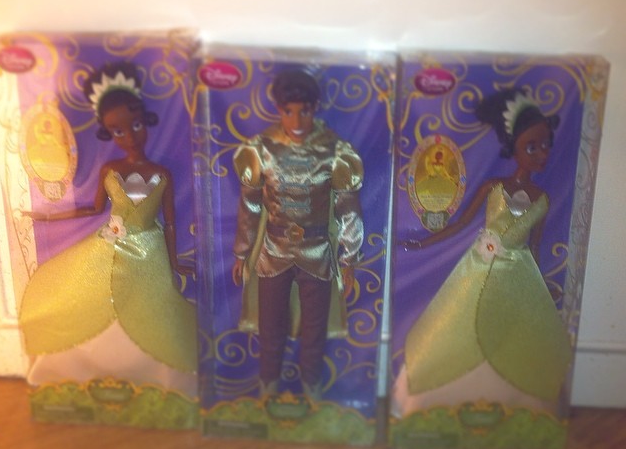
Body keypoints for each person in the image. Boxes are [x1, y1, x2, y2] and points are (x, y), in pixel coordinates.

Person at [392, 88, 572, 416]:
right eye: (531, 146)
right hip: (479, 269)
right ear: (512, 147)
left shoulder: (542, 199)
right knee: (457, 326)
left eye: (546, 145)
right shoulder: (494, 188)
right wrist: (422, 243)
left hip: (518, 274)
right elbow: (461, 224)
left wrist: (540, 288)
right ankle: (444, 398)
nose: (541, 154)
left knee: (514, 335)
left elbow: (534, 245)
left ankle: (512, 402)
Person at [21, 62, 197, 396]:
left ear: (146, 122)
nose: (130, 137)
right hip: (110, 246)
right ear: (108, 133)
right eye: (118, 131)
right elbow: (94, 208)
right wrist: (48, 217)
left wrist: (175, 263)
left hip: (150, 251)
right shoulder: (110, 169)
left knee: (152, 308)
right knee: (92, 300)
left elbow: (171, 222)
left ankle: (152, 374)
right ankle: (96, 369)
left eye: (136, 126)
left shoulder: (162, 174)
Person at [231, 68, 364, 400]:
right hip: (273, 251)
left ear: (315, 107)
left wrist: (348, 259)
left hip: (316, 252)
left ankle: (311, 388)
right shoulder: (262, 148)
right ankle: (268, 387)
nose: (297, 120)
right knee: (270, 326)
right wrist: (242, 252)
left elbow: (348, 208)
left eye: (304, 110)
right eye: (288, 111)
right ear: (278, 109)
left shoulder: (334, 150)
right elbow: (250, 204)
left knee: (314, 329)